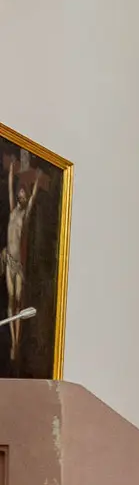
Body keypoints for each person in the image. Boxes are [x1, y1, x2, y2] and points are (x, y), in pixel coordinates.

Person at [3, 155, 42, 366]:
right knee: (11, 300)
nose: (20, 194)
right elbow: (9, 190)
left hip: (18, 265)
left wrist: (36, 182)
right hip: (9, 261)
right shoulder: (12, 211)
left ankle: (17, 341)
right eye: (20, 192)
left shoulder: (25, 216)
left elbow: (34, 198)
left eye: (23, 193)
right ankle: (13, 340)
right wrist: (11, 172)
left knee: (18, 303)